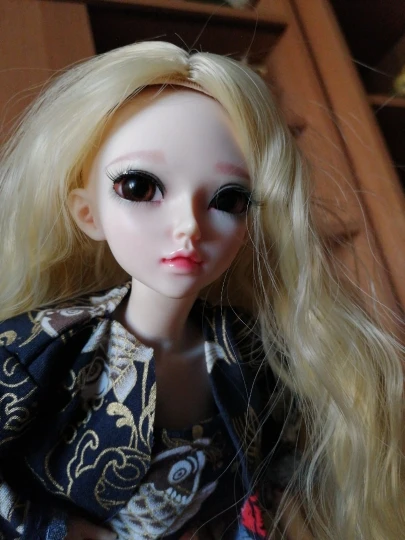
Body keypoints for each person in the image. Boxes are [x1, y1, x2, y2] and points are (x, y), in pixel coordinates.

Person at [0, 41, 403, 540]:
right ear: (88, 213)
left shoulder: (251, 352)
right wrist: (61, 530)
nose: (188, 227)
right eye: (139, 188)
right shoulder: (37, 351)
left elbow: (264, 475)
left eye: (228, 200)